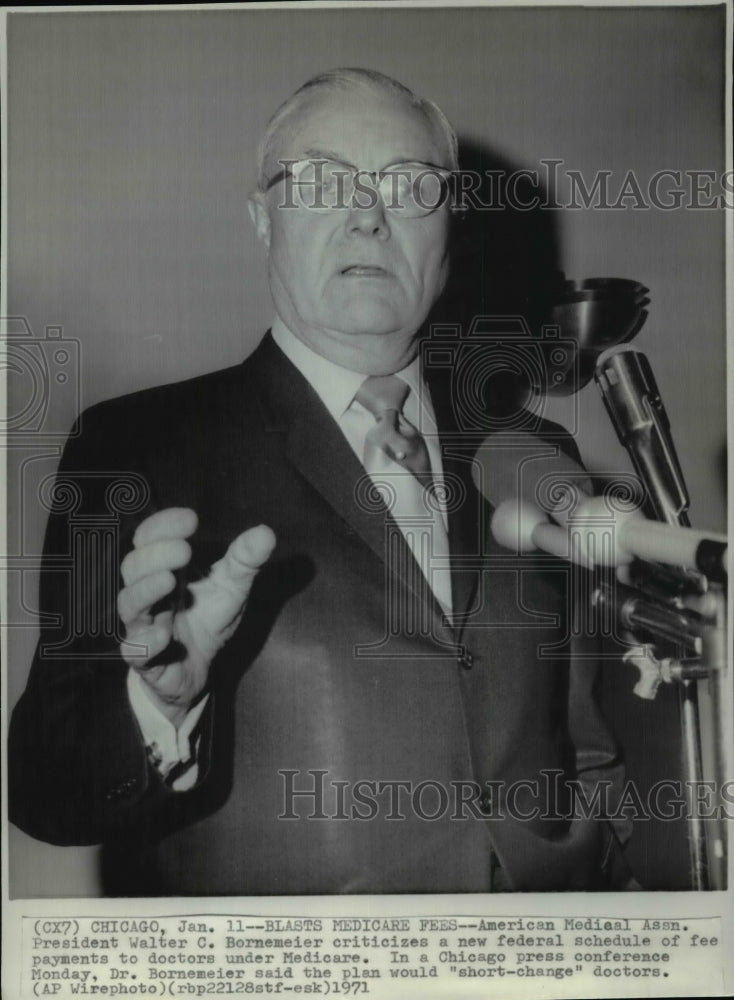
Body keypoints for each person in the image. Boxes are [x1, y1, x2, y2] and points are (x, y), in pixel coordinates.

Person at [9, 68, 630, 895]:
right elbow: (47, 789)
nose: (368, 214)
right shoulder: (137, 445)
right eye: (322, 182)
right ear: (262, 219)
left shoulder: (534, 452)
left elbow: (588, 746)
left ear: (450, 225)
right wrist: (157, 705)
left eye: (409, 185)